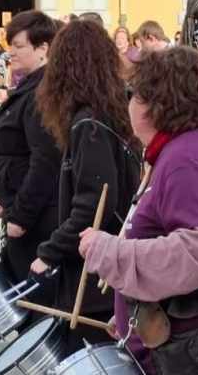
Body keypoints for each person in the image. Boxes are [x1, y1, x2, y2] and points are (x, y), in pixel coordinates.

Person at [78, 46, 198, 375]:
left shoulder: (189, 159)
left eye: (134, 94)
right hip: (182, 341)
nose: (128, 103)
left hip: (190, 351)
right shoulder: (184, 150)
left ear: (156, 103)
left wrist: (108, 251)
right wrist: (133, 307)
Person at [33, 20, 141, 347]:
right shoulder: (114, 111)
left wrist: (49, 252)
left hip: (94, 274)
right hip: (111, 262)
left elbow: (95, 203)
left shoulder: (89, 124)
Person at [0, 11, 62, 303]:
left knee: (32, 298)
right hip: (19, 205)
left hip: (35, 217)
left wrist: (21, 214)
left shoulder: (40, 92)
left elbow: (45, 161)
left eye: (19, 46)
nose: (11, 52)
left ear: (43, 48)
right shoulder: (31, 86)